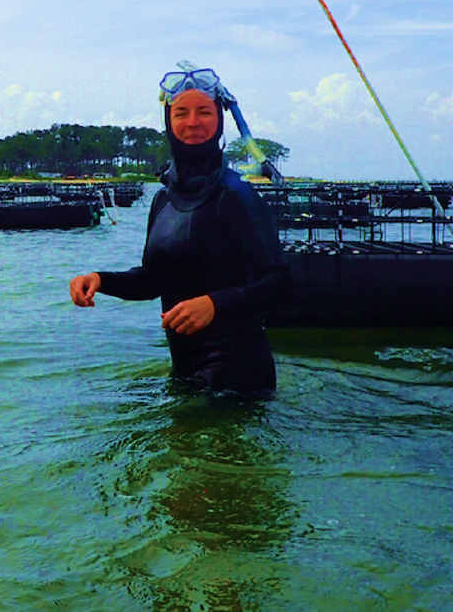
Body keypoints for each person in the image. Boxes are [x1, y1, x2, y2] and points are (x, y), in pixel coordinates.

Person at [68, 66, 291, 398]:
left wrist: (214, 304)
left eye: (204, 112)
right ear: (168, 122)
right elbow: (154, 280)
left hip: (238, 378)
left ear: (220, 120)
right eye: (181, 113)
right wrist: (101, 280)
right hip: (186, 372)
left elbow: (280, 282)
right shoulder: (163, 199)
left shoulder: (235, 195)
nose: (192, 122)